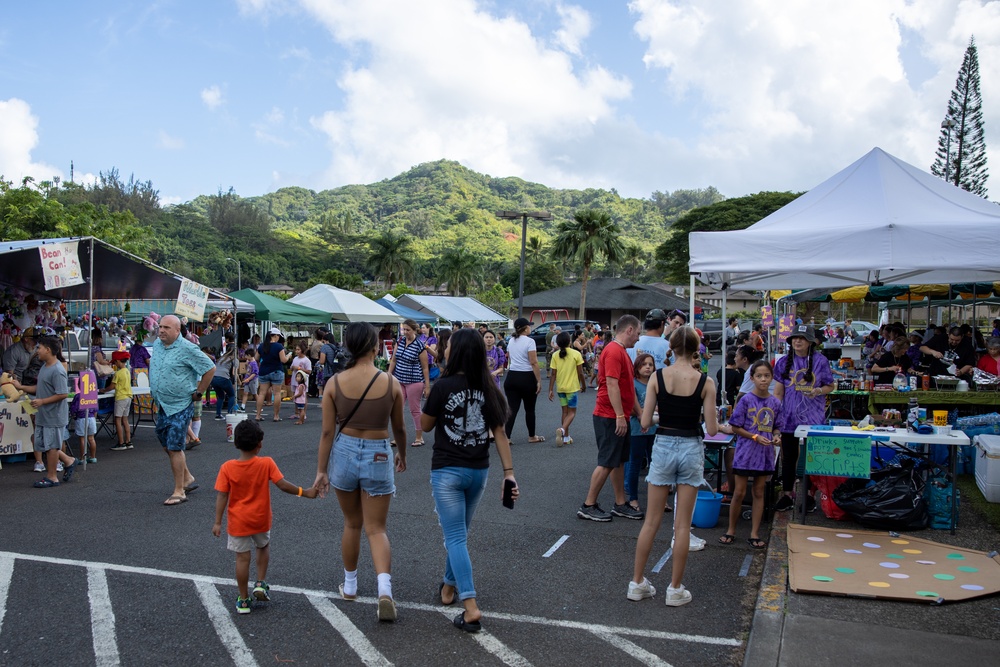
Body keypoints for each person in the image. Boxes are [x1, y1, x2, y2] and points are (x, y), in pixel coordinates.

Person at [420, 328, 518, 634]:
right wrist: (509, 473)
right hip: (479, 471)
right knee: (460, 534)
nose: (444, 349)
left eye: (448, 346)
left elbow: (424, 426)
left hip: (447, 470)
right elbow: (500, 433)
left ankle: (471, 606)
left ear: (457, 351)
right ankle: (449, 585)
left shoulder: (443, 385)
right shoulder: (488, 386)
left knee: (456, 538)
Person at [314, 322, 407, 622]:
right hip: (379, 450)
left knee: (352, 524)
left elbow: (327, 433)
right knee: (376, 528)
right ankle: (385, 591)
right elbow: (400, 428)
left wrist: (321, 471)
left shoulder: (335, 384)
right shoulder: (390, 383)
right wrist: (401, 453)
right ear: (374, 346)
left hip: (343, 450)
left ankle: (351, 586)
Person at [629, 326, 718, 606]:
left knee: (651, 521)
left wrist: (660, 418)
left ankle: (637, 583)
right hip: (691, 447)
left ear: (672, 347)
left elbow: (644, 422)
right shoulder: (706, 381)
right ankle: (675, 589)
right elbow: (713, 429)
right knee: (682, 526)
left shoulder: (657, 376)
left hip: (664, 444)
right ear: (696, 350)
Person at [213, 419, 318, 615]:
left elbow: (222, 495)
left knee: (242, 559)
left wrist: (218, 522)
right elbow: (283, 485)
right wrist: (305, 491)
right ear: (259, 444)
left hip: (238, 521)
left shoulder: (227, 468)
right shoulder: (266, 463)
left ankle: (243, 599)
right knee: (263, 546)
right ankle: (260, 582)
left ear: (236, 443)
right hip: (260, 518)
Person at [577, 314, 643, 522]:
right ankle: (588, 505)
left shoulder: (622, 351)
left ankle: (620, 504)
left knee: (619, 461)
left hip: (616, 414)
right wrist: (620, 416)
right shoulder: (614, 351)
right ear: (629, 330)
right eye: (638, 333)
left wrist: (640, 414)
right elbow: (612, 385)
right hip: (609, 415)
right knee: (607, 461)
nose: (639, 338)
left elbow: (627, 388)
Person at [150, 314, 215, 506]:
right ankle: (186, 478)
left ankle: (179, 491)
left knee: (174, 445)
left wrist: (200, 392)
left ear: (178, 330)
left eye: (166, 328)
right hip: (163, 403)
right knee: (164, 441)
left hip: (180, 403)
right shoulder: (157, 345)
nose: (161, 330)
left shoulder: (188, 348)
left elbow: (209, 368)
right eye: (160, 326)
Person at [718, 360, 781, 549]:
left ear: (772, 378)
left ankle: (754, 533)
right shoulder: (745, 400)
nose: (763, 379)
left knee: (759, 492)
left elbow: (777, 426)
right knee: (738, 492)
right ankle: (731, 529)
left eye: (767, 376)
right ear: (752, 378)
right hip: (745, 452)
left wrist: (777, 437)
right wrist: (754, 436)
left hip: (765, 454)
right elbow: (736, 427)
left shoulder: (775, 402)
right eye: (759, 376)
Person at [773, 325, 834, 513]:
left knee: (812, 457)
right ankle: (787, 495)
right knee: (789, 458)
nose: (797, 341)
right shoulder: (783, 362)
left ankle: (809, 496)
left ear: (811, 342)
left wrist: (818, 391)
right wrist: (774, 417)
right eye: (794, 338)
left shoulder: (821, 361)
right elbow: (778, 392)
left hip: (813, 417)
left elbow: (830, 386)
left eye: (802, 338)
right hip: (789, 417)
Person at [15, 336, 77, 488]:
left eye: (40, 348)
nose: (37, 351)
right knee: (45, 444)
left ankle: (52, 477)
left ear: (48, 350)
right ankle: (69, 461)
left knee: (51, 446)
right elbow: (40, 388)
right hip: (44, 414)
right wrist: (21, 387)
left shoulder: (57, 370)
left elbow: (62, 393)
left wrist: (42, 401)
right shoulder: (45, 367)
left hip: (53, 415)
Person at [388, 318, 430, 447]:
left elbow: (425, 367)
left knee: (414, 409)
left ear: (414, 330)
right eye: (403, 329)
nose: (405, 332)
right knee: (397, 409)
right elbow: (394, 360)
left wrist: (427, 385)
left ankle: (419, 437)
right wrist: (389, 375)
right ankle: (398, 437)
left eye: (408, 330)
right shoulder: (400, 341)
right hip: (399, 380)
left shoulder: (419, 345)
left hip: (415, 381)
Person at [503, 317, 545, 443]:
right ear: (525, 328)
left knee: (512, 408)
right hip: (526, 377)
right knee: (530, 409)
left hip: (512, 377)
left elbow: (510, 358)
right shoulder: (530, 341)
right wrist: (538, 380)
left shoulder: (511, 340)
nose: (530, 328)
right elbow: (533, 362)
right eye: (529, 326)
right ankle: (532, 436)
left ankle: (507, 437)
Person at [624, 353, 656, 515]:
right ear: (637, 367)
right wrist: (642, 413)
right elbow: (630, 408)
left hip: (654, 430)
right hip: (636, 430)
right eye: (644, 364)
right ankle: (633, 498)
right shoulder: (633, 384)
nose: (648, 367)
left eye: (650, 364)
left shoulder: (655, 384)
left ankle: (657, 500)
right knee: (635, 464)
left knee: (656, 465)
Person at [548, 330, 585, 446]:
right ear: (569, 341)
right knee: (572, 412)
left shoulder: (555, 355)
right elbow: (580, 373)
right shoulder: (576, 354)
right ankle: (562, 430)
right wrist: (583, 385)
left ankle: (566, 437)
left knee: (564, 412)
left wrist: (550, 389)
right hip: (572, 388)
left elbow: (553, 374)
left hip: (560, 388)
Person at [255, 328, 290, 422]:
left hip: (263, 371)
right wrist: (288, 356)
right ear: (275, 336)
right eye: (278, 336)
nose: (279, 338)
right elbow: (283, 360)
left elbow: (256, 358)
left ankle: (258, 415)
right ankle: (276, 416)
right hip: (276, 371)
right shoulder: (278, 346)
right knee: (277, 393)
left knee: (262, 393)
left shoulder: (262, 346)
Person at [110, 350, 133, 450]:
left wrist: (103, 389)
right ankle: (128, 441)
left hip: (120, 397)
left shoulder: (118, 373)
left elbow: (112, 386)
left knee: (118, 420)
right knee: (125, 420)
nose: (115, 364)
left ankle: (121, 442)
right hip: (128, 396)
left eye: (115, 362)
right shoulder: (127, 371)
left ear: (118, 361)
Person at [212, 345, 238, 421]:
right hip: (224, 378)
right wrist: (239, 381)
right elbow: (234, 372)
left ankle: (218, 414)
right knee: (232, 395)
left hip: (214, 378)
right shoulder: (234, 359)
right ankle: (229, 413)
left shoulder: (221, 358)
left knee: (220, 396)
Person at [308, 328, 327, 397]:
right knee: (318, 376)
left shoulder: (315, 342)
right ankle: (315, 392)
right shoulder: (321, 344)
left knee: (313, 376)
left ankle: (312, 391)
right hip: (317, 360)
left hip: (312, 359)